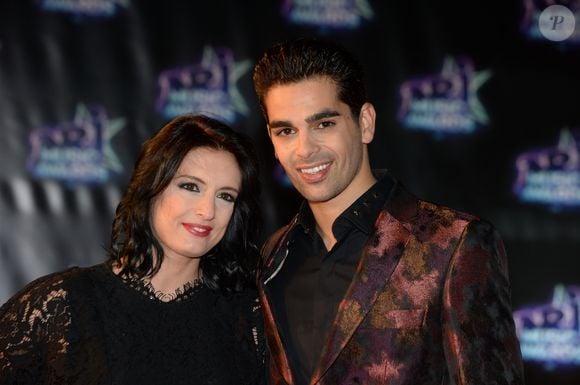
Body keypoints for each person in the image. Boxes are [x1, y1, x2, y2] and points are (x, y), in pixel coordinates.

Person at [253, 38, 524, 385]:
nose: (305, 149)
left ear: (365, 122)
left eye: (324, 124)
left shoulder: (453, 244)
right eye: (287, 130)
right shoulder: (274, 259)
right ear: (272, 141)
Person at [0, 114, 265, 385]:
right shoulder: (63, 304)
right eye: (190, 186)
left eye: (225, 196)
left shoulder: (250, 319)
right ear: (150, 187)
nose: (207, 211)